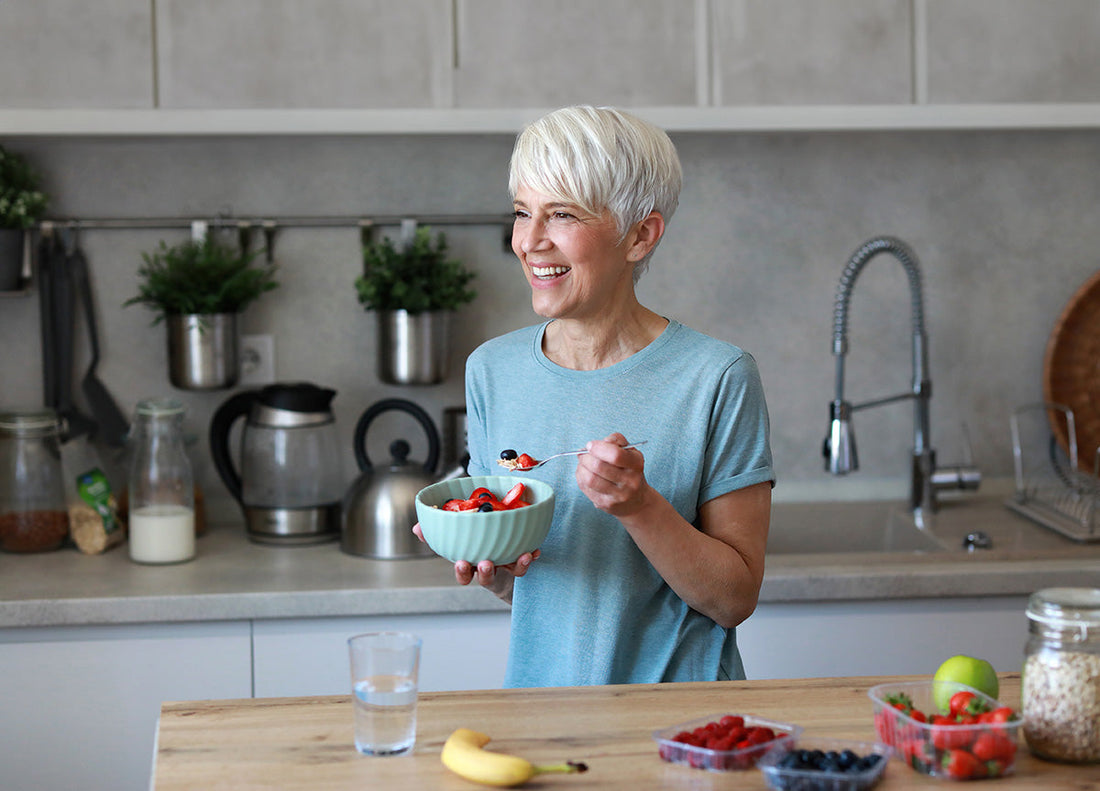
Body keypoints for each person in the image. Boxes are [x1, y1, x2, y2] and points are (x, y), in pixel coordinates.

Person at [416, 105, 774, 688]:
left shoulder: (718, 376)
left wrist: (640, 506)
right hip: (544, 714)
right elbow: (533, 590)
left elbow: (734, 599)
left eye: (562, 214)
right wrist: (491, 563)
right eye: (523, 212)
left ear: (640, 236)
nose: (530, 242)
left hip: (682, 721)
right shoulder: (491, 371)